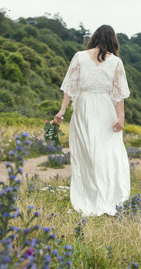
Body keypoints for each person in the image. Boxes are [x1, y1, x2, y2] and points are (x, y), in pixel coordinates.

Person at [53, 25, 130, 217]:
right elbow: (118, 93)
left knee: (86, 152)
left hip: (84, 108)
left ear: (94, 37)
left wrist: (62, 110)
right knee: (108, 153)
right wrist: (121, 116)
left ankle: (91, 194)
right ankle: (106, 194)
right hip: (106, 108)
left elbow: (70, 87)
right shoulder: (116, 62)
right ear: (113, 40)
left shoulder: (79, 56)